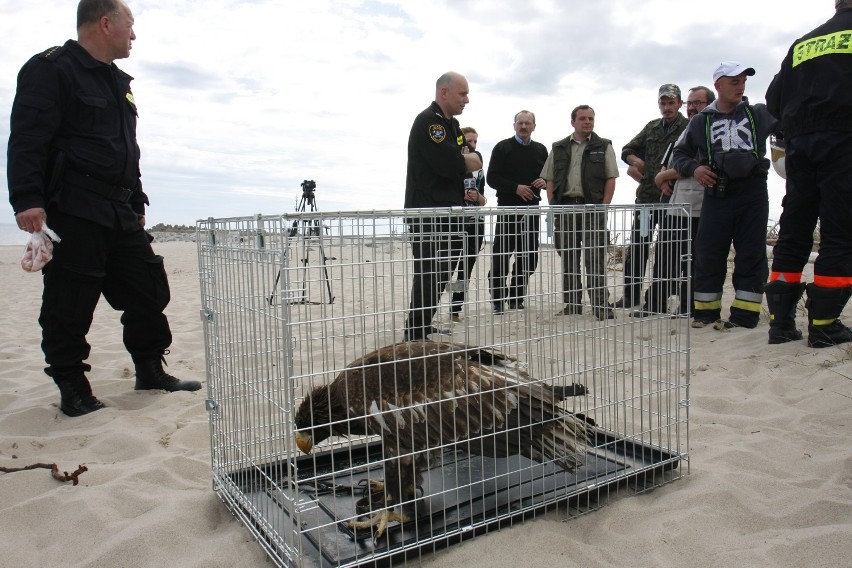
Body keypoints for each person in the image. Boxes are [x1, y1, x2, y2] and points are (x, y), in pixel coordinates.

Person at [7, 0, 201, 418]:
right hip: (74, 208)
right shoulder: (52, 69)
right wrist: (27, 199)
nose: (134, 36)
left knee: (148, 290)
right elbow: (27, 137)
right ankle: (73, 387)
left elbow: (126, 152)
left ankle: (150, 370)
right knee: (70, 302)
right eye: (130, 27)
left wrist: (136, 201)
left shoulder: (118, 81)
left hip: (119, 211)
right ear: (106, 23)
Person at [763, 0, 852, 348]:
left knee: (794, 232)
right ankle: (826, 324)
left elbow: (773, 99)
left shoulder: (803, 43)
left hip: (800, 146)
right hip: (844, 141)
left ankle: (780, 324)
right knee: (839, 234)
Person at [671, 62, 778, 330]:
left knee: (751, 253)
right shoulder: (700, 121)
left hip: (753, 192)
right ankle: (705, 314)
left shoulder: (759, 114)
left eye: (743, 81)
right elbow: (680, 155)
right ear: (718, 85)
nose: (740, 86)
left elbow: (787, 132)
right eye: (734, 81)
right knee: (708, 252)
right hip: (717, 193)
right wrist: (696, 169)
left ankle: (745, 317)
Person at [403, 72, 482, 340]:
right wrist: (467, 160)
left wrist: (467, 159)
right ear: (444, 92)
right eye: (462, 94)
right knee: (428, 271)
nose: (467, 100)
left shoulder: (453, 125)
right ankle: (414, 332)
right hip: (427, 212)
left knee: (443, 271)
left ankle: (423, 323)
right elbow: (452, 164)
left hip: (450, 211)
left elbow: (470, 159)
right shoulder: (429, 123)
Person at [634, 86, 716, 317]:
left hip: (698, 207)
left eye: (697, 103)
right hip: (674, 206)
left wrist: (663, 176)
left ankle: (688, 307)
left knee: (692, 261)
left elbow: (698, 166)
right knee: (664, 257)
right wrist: (661, 177)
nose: (692, 108)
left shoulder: (710, 128)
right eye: (690, 103)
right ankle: (655, 305)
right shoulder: (686, 130)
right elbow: (668, 162)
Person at [542, 105, 618, 321]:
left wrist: (603, 207)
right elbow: (549, 178)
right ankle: (572, 304)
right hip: (565, 208)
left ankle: (601, 306)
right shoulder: (558, 147)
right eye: (583, 118)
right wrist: (552, 203)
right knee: (568, 258)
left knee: (594, 259)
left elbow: (610, 178)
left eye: (591, 118)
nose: (587, 122)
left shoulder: (603, 146)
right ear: (573, 121)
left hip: (592, 208)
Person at [616, 84, 689, 308]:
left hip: (672, 201)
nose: (666, 108)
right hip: (647, 201)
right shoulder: (652, 127)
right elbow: (626, 150)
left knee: (669, 252)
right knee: (638, 247)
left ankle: (659, 296)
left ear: (679, 103)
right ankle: (630, 295)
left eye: (671, 103)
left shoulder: (688, 127)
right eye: (663, 103)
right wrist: (638, 163)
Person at [486, 110, 548, 314]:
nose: (523, 127)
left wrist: (545, 182)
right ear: (514, 125)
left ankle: (516, 298)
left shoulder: (541, 150)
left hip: (531, 212)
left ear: (534, 126)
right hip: (507, 210)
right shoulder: (502, 147)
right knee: (501, 256)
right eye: (520, 123)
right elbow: (492, 178)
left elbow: (549, 178)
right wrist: (515, 188)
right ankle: (497, 300)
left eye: (527, 123)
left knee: (528, 258)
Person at [450, 126, 487, 322]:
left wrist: (477, 196)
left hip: (476, 223)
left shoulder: (479, 169)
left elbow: (483, 200)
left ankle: (455, 308)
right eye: (468, 142)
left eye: (475, 142)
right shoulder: (452, 164)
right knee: (448, 266)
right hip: (456, 223)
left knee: (466, 268)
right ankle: (436, 305)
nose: (472, 146)